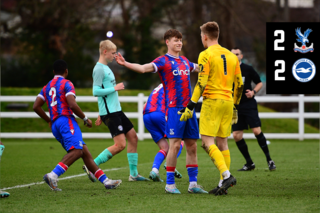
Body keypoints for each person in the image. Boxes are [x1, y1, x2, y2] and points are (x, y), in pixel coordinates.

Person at [115, 29, 207, 194]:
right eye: (175, 40)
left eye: (180, 40)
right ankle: (170, 184)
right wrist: (125, 63)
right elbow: (143, 68)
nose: (179, 43)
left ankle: (193, 184)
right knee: (175, 145)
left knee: (192, 146)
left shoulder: (186, 61)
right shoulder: (163, 61)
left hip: (190, 108)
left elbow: (202, 69)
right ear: (167, 42)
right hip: (174, 110)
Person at [33, 59, 121, 191]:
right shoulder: (67, 83)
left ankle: (106, 181)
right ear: (66, 71)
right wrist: (85, 118)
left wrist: (48, 120)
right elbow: (72, 104)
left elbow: (36, 106)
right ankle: (53, 175)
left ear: (53, 72)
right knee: (77, 151)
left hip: (56, 125)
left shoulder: (47, 86)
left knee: (84, 152)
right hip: (66, 121)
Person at [180, 21, 244, 195]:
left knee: (207, 142)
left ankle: (226, 175)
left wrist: (190, 105)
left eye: (201, 37)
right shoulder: (232, 56)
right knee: (222, 142)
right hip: (228, 102)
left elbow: (201, 82)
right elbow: (239, 84)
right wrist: (236, 105)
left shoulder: (205, 54)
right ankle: (223, 183)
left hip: (212, 101)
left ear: (205, 37)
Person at [83, 40, 148, 182]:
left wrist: (100, 112)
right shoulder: (99, 69)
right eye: (113, 53)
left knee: (133, 138)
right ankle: (91, 165)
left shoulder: (106, 67)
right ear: (104, 52)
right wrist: (115, 88)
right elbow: (95, 91)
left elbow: (103, 93)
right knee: (120, 145)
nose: (115, 55)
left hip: (116, 110)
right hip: (111, 113)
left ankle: (134, 174)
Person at [231, 47, 276, 171]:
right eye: (232, 54)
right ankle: (249, 163)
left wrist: (253, 92)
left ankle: (269, 160)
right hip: (235, 107)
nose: (234, 56)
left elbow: (259, 83)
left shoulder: (248, 69)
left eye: (237, 54)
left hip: (248, 105)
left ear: (241, 56)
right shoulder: (227, 71)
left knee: (256, 131)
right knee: (236, 135)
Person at [144, 83, 184, 182]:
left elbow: (146, 103)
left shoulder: (159, 86)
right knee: (178, 141)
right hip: (159, 113)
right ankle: (169, 164)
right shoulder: (174, 84)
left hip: (146, 115)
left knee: (165, 147)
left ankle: (154, 170)